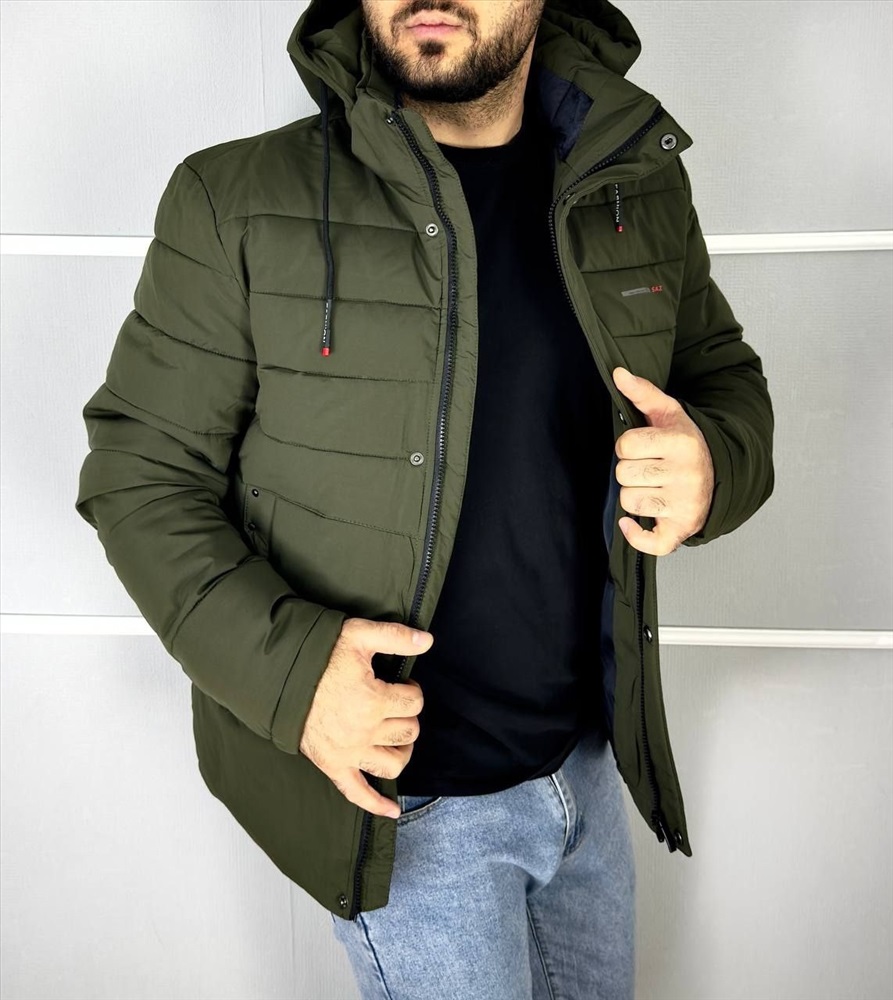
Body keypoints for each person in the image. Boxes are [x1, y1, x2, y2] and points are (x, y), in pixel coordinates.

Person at [75, 0, 775, 997]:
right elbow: (140, 475)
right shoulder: (235, 198)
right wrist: (294, 679)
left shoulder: (632, 181)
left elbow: (723, 382)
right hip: (406, 813)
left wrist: (710, 466)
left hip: (583, 773)